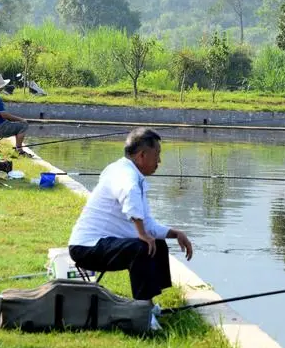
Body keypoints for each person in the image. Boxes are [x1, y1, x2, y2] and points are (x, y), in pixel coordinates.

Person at [68, 128, 193, 301]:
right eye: (157, 155)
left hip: (105, 242)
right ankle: (142, 308)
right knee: (142, 248)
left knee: (158, 244)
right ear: (142, 155)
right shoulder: (125, 174)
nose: (159, 161)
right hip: (87, 247)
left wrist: (175, 233)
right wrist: (141, 233)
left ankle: (151, 302)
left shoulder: (131, 174)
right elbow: (129, 192)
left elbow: (148, 224)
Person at [0, 73, 31, 156]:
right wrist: (21, 119)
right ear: (1, 86)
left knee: (18, 125)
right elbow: (4, 115)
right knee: (23, 125)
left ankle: (18, 149)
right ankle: (19, 151)